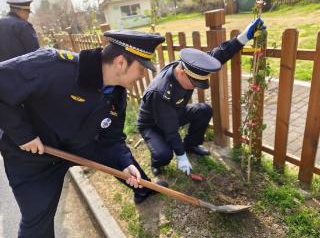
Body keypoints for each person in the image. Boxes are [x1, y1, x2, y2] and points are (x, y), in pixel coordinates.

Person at [0, 30, 167, 238]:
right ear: (121, 62)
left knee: (124, 161)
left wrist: (124, 163)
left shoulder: (117, 94)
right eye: (142, 68)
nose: (144, 76)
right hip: (31, 158)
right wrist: (23, 133)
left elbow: (112, 139)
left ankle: (143, 187)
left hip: (78, 147)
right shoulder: (52, 66)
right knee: (38, 221)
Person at [137, 18, 266, 176]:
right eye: (194, 84)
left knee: (204, 110)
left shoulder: (188, 65)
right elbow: (170, 128)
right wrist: (181, 156)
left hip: (174, 112)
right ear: (182, 73)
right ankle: (156, 162)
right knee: (164, 155)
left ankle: (191, 145)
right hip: (152, 124)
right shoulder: (161, 92)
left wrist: (244, 37)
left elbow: (218, 54)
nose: (196, 87)